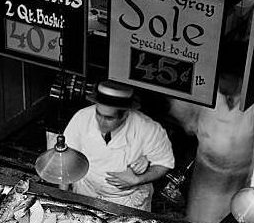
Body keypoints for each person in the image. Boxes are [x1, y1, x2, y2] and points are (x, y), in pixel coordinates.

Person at [63, 80, 174, 211]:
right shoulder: (82, 117)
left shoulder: (148, 129)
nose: (101, 122)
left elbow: (164, 163)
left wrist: (138, 180)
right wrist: (63, 196)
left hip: (127, 201)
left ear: (125, 114)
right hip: (87, 192)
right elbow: (65, 157)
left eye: (109, 118)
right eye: (98, 114)